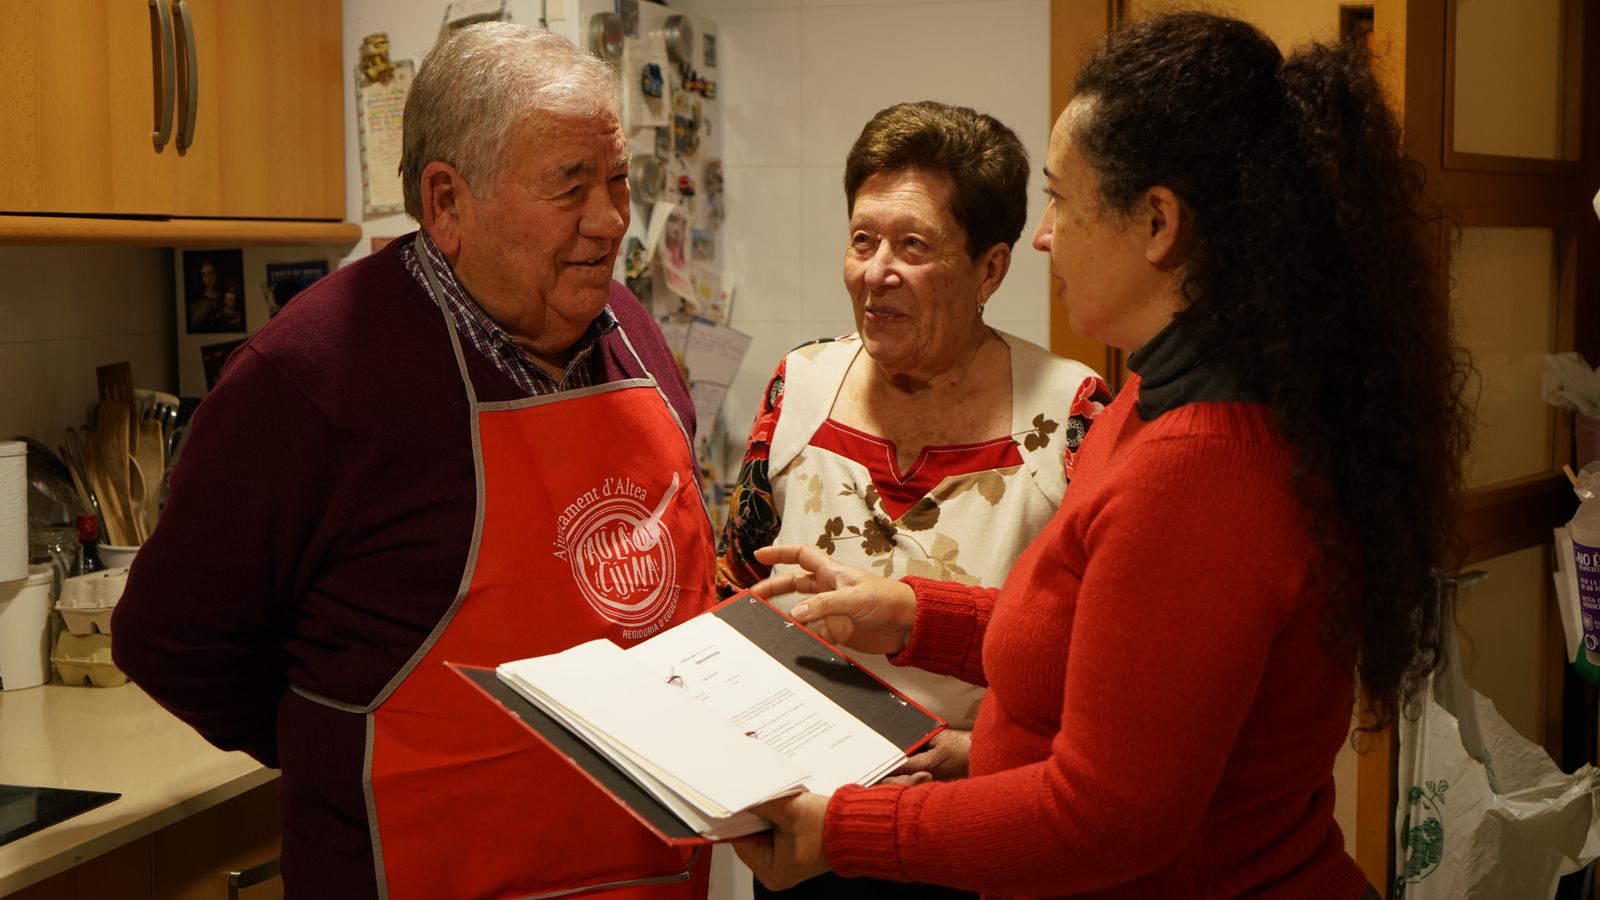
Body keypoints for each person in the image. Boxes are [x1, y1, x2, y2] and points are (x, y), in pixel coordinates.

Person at [735, 12, 1471, 898]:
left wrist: (840, 829)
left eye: (1058, 197)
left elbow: (1103, 819)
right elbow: (1100, 644)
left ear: (1156, 223)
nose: (1044, 236)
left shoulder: (1202, 470)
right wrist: (908, 612)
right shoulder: (1148, 402)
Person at [113, 23, 718, 900]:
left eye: (619, 179)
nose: (611, 219)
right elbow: (170, 637)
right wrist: (348, 742)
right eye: (570, 187)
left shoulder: (637, 334)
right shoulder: (312, 377)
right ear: (447, 203)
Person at [717, 100, 1109, 900]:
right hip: (807, 831)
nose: (875, 271)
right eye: (862, 240)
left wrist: (988, 748)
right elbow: (731, 589)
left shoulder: (1070, 414)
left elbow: (1103, 651)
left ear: (991, 270)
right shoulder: (800, 389)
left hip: (984, 833)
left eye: (914, 246)